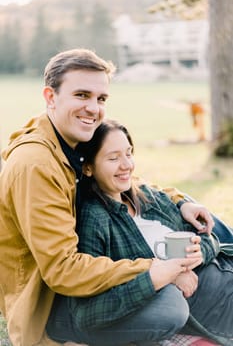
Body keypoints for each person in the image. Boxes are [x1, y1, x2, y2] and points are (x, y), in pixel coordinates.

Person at [0, 48, 216, 346]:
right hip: (53, 304)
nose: (94, 108)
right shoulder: (36, 165)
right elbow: (63, 271)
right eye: (82, 95)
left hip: (87, 275)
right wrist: (156, 269)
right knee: (168, 307)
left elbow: (117, 174)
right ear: (50, 97)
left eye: (101, 99)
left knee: (206, 218)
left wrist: (180, 200)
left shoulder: (66, 139)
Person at [48, 119, 233, 346]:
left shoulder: (147, 196)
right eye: (114, 158)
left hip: (224, 271)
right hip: (214, 305)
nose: (127, 165)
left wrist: (200, 253)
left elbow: (209, 237)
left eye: (129, 153)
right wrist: (167, 275)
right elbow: (89, 311)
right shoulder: (95, 220)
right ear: (88, 167)